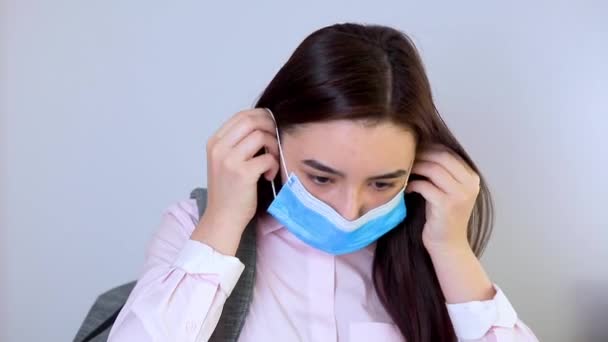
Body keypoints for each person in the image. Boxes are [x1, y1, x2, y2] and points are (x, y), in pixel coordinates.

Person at [108, 23, 539, 341]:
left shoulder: (426, 255)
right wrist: (222, 220)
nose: (349, 211)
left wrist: (452, 251)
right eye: (321, 177)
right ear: (270, 142)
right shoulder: (193, 228)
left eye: (382, 183)